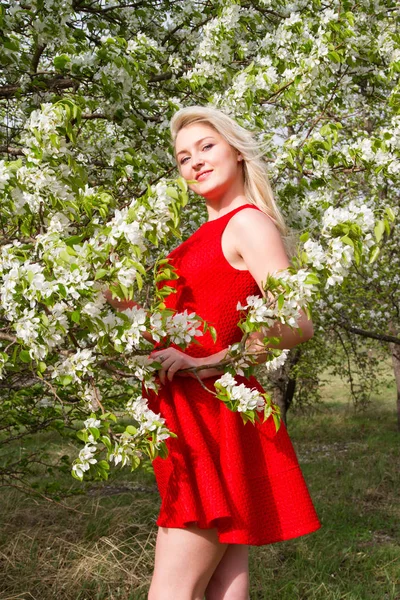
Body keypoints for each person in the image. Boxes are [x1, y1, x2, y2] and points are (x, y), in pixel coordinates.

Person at [108, 106, 321, 600]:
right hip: (192, 415)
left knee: (172, 590)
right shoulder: (200, 237)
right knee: (225, 589)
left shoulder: (247, 224)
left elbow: (297, 321)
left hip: (210, 416)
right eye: (184, 157)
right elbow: (180, 332)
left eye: (206, 147)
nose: (195, 162)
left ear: (237, 152)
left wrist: (211, 361)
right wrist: (120, 306)